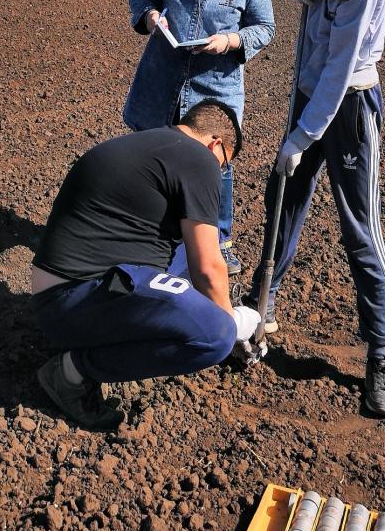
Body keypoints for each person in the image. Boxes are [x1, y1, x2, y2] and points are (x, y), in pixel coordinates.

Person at [247, 0, 385, 417]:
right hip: (309, 93)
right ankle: (260, 307)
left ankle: (379, 356)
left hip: (350, 105)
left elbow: (340, 71)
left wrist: (301, 136)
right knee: (281, 198)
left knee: (359, 229)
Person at [31, 100, 261, 430]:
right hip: (73, 300)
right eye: (224, 165)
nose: (221, 173)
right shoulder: (200, 159)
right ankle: (71, 373)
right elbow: (209, 267)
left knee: (189, 256)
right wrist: (232, 323)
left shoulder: (157, 145)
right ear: (215, 143)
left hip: (62, 292)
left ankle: (193, 316)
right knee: (215, 336)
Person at [123, 0, 275, 275]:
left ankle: (219, 242)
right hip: (162, 80)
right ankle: (149, 235)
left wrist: (232, 40)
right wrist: (151, 16)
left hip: (215, 87)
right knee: (154, 155)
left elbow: (264, 28)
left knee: (215, 165)